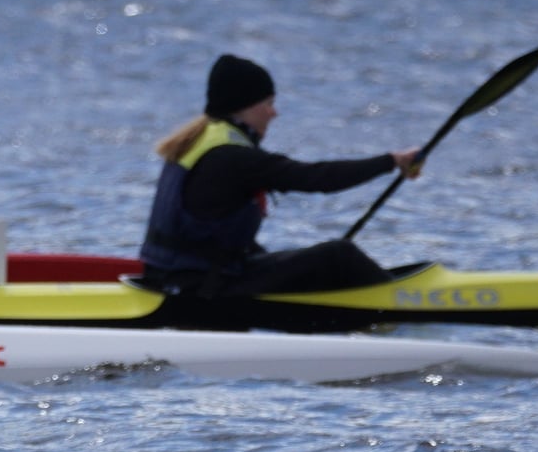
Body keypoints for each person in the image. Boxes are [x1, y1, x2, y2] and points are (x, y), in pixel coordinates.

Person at [139, 53, 421, 297]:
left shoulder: (197, 141)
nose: (274, 113)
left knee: (299, 259)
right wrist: (391, 161)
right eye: (269, 103)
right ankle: (404, 304)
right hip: (205, 288)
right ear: (245, 106)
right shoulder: (234, 157)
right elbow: (318, 178)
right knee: (339, 255)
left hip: (171, 276)